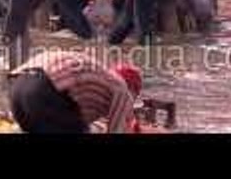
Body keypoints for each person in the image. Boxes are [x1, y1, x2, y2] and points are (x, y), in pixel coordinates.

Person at [8, 52, 141, 134]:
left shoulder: (100, 77)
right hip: (43, 91)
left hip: (19, 86)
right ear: (132, 90)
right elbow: (117, 130)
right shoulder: (122, 89)